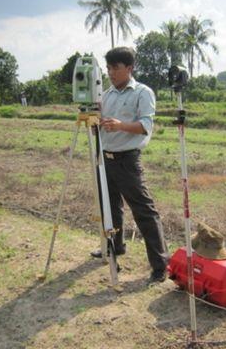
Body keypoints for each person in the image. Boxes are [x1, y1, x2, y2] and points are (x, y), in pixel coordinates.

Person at [90, 46, 169, 284]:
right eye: (108, 68)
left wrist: (121, 125)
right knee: (110, 208)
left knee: (143, 211)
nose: (111, 73)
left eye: (115, 68)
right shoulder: (105, 95)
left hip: (127, 160)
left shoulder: (142, 93)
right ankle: (116, 247)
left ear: (129, 68)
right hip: (105, 157)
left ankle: (160, 264)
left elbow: (145, 125)